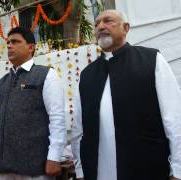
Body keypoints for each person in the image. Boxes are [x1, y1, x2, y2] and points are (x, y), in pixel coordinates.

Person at [71, 10, 181, 180]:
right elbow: (79, 128)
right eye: (97, 24)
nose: (100, 26)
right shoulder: (87, 74)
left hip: (145, 167)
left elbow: (174, 118)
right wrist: (80, 170)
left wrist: (178, 169)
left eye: (108, 21)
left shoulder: (151, 60)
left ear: (126, 28)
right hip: (98, 170)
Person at [0, 27, 67, 180]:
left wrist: (54, 156)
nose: (10, 46)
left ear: (31, 47)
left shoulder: (46, 75)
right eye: (8, 43)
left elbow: (57, 117)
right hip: (6, 165)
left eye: (16, 42)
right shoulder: (3, 82)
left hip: (37, 166)